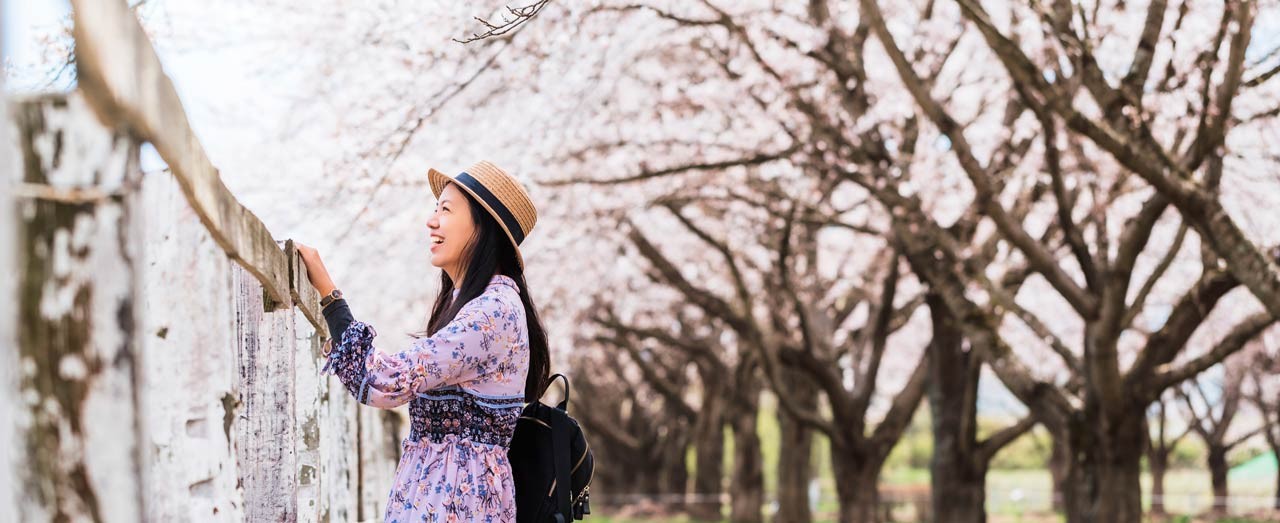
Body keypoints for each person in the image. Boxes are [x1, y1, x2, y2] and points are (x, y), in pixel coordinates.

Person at [296, 160, 550, 522]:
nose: (431, 221)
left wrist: (329, 295)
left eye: (446, 210)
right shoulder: (474, 305)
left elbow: (384, 381)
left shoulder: (492, 312)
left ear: (484, 228)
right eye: (435, 209)